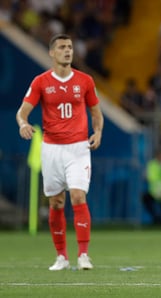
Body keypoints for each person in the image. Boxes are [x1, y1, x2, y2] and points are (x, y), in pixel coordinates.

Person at [16, 33, 104, 271]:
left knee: (77, 196)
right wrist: (23, 124)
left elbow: (96, 114)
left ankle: (84, 255)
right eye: (63, 47)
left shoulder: (85, 81)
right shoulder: (41, 82)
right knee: (56, 202)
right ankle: (61, 257)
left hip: (78, 148)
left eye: (70, 47)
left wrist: (97, 132)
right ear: (52, 53)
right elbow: (22, 112)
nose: (68, 51)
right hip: (51, 149)